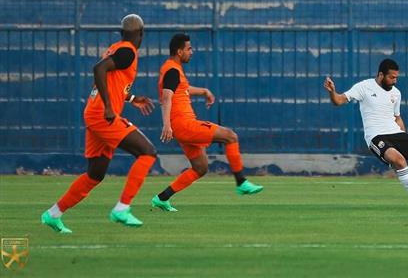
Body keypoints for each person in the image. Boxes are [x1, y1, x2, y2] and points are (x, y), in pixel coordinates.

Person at [41, 14, 157, 234]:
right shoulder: (128, 52)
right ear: (141, 34)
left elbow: (111, 82)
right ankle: (122, 208)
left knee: (95, 174)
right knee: (147, 152)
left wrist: (132, 99)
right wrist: (108, 107)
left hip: (95, 114)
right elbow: (99, 69)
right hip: (103, 116)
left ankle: (53, 214)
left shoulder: (116, 48)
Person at [151, 33, 262, 212]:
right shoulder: (172, 70)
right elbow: (166, 97)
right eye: (189, 49)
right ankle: (241, 182)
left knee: (200, 168)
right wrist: (166, 124)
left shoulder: (172, 69)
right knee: (230, 136)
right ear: (179, 52)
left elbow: (183, 90)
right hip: (184, 124)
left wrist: (203, 91)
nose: (192, 52)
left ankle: (162, 198)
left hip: (182, 125)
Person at [324, 58, 408, 211]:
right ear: (381, 75)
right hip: (376, 137)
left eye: (396, 77)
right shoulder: (364, 87)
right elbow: (338, 100)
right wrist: (332, 92)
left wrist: (405, 137)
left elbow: (397, 117)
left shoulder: (396, 93)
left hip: (396, 132)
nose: (394, 81)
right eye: (392, 77)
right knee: (399, 160)